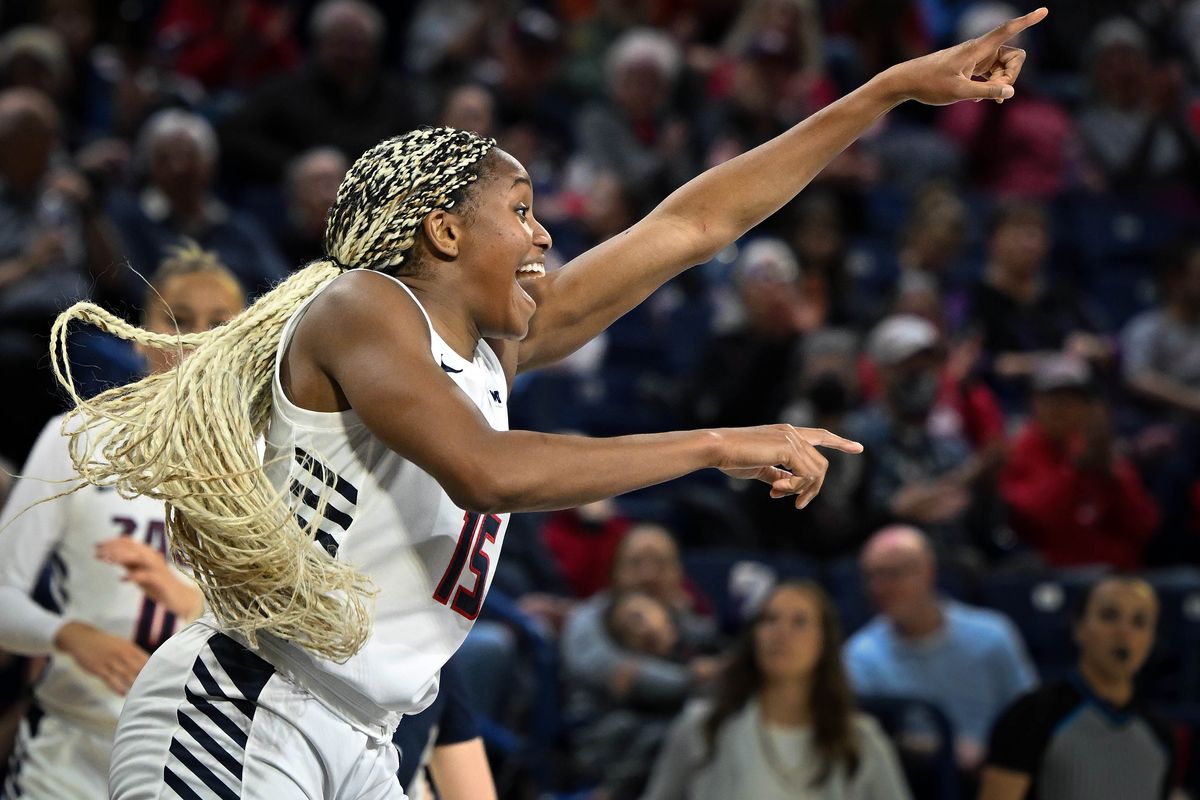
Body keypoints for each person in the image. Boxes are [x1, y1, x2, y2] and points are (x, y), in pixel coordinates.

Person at [45, 10, 1046, 798]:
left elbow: (698, 220)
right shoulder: (360, 306)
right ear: (441, 231)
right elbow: (489, 468)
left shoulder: (489, 346)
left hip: (363, 732)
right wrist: (714, 443)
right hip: (250, 705)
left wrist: (883, 93)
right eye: (519, 212)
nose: (542, 238)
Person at [0, 244, 245, 799]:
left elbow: (286, 630)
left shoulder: (262, 460)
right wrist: (65, 634)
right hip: (69, 748)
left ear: (241, 340)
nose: (190, 338)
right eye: (175, 318)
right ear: (139, 334)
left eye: (217, 322)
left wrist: (189, 601)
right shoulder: (77, 437)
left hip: (195, 757)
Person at [641, 580, 912, 800]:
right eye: (769, 620)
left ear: (823, 641)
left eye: (799, 622)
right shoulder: (702, 727)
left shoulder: (862, 740)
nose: (780, 633)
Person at [844, 525, 1036, 773]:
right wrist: (943, 750)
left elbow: (1030, 719)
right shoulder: (859, 655)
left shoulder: (992, 635)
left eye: (893, 574)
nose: (880, 587)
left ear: (928, 573)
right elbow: (868, 741)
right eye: (872, 576)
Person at [979, 575, 1176, 800]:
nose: (1124, 633)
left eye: (1139, 622)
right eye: (1109, 616)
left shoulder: (1160, 734)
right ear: (1079, 627)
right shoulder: (1030, 716)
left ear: (1152, 638)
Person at [999, 355, 1159, 569]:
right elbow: (1034, 519)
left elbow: (1144, 527)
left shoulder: (1100, 449)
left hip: (1115, 573)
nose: (1062, 409)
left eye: (1073, 400)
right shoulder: (1021, 448)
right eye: (1053, 400)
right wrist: (1073, 470)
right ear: (1035, 403)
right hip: (1052, 578)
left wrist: (1114, 477)